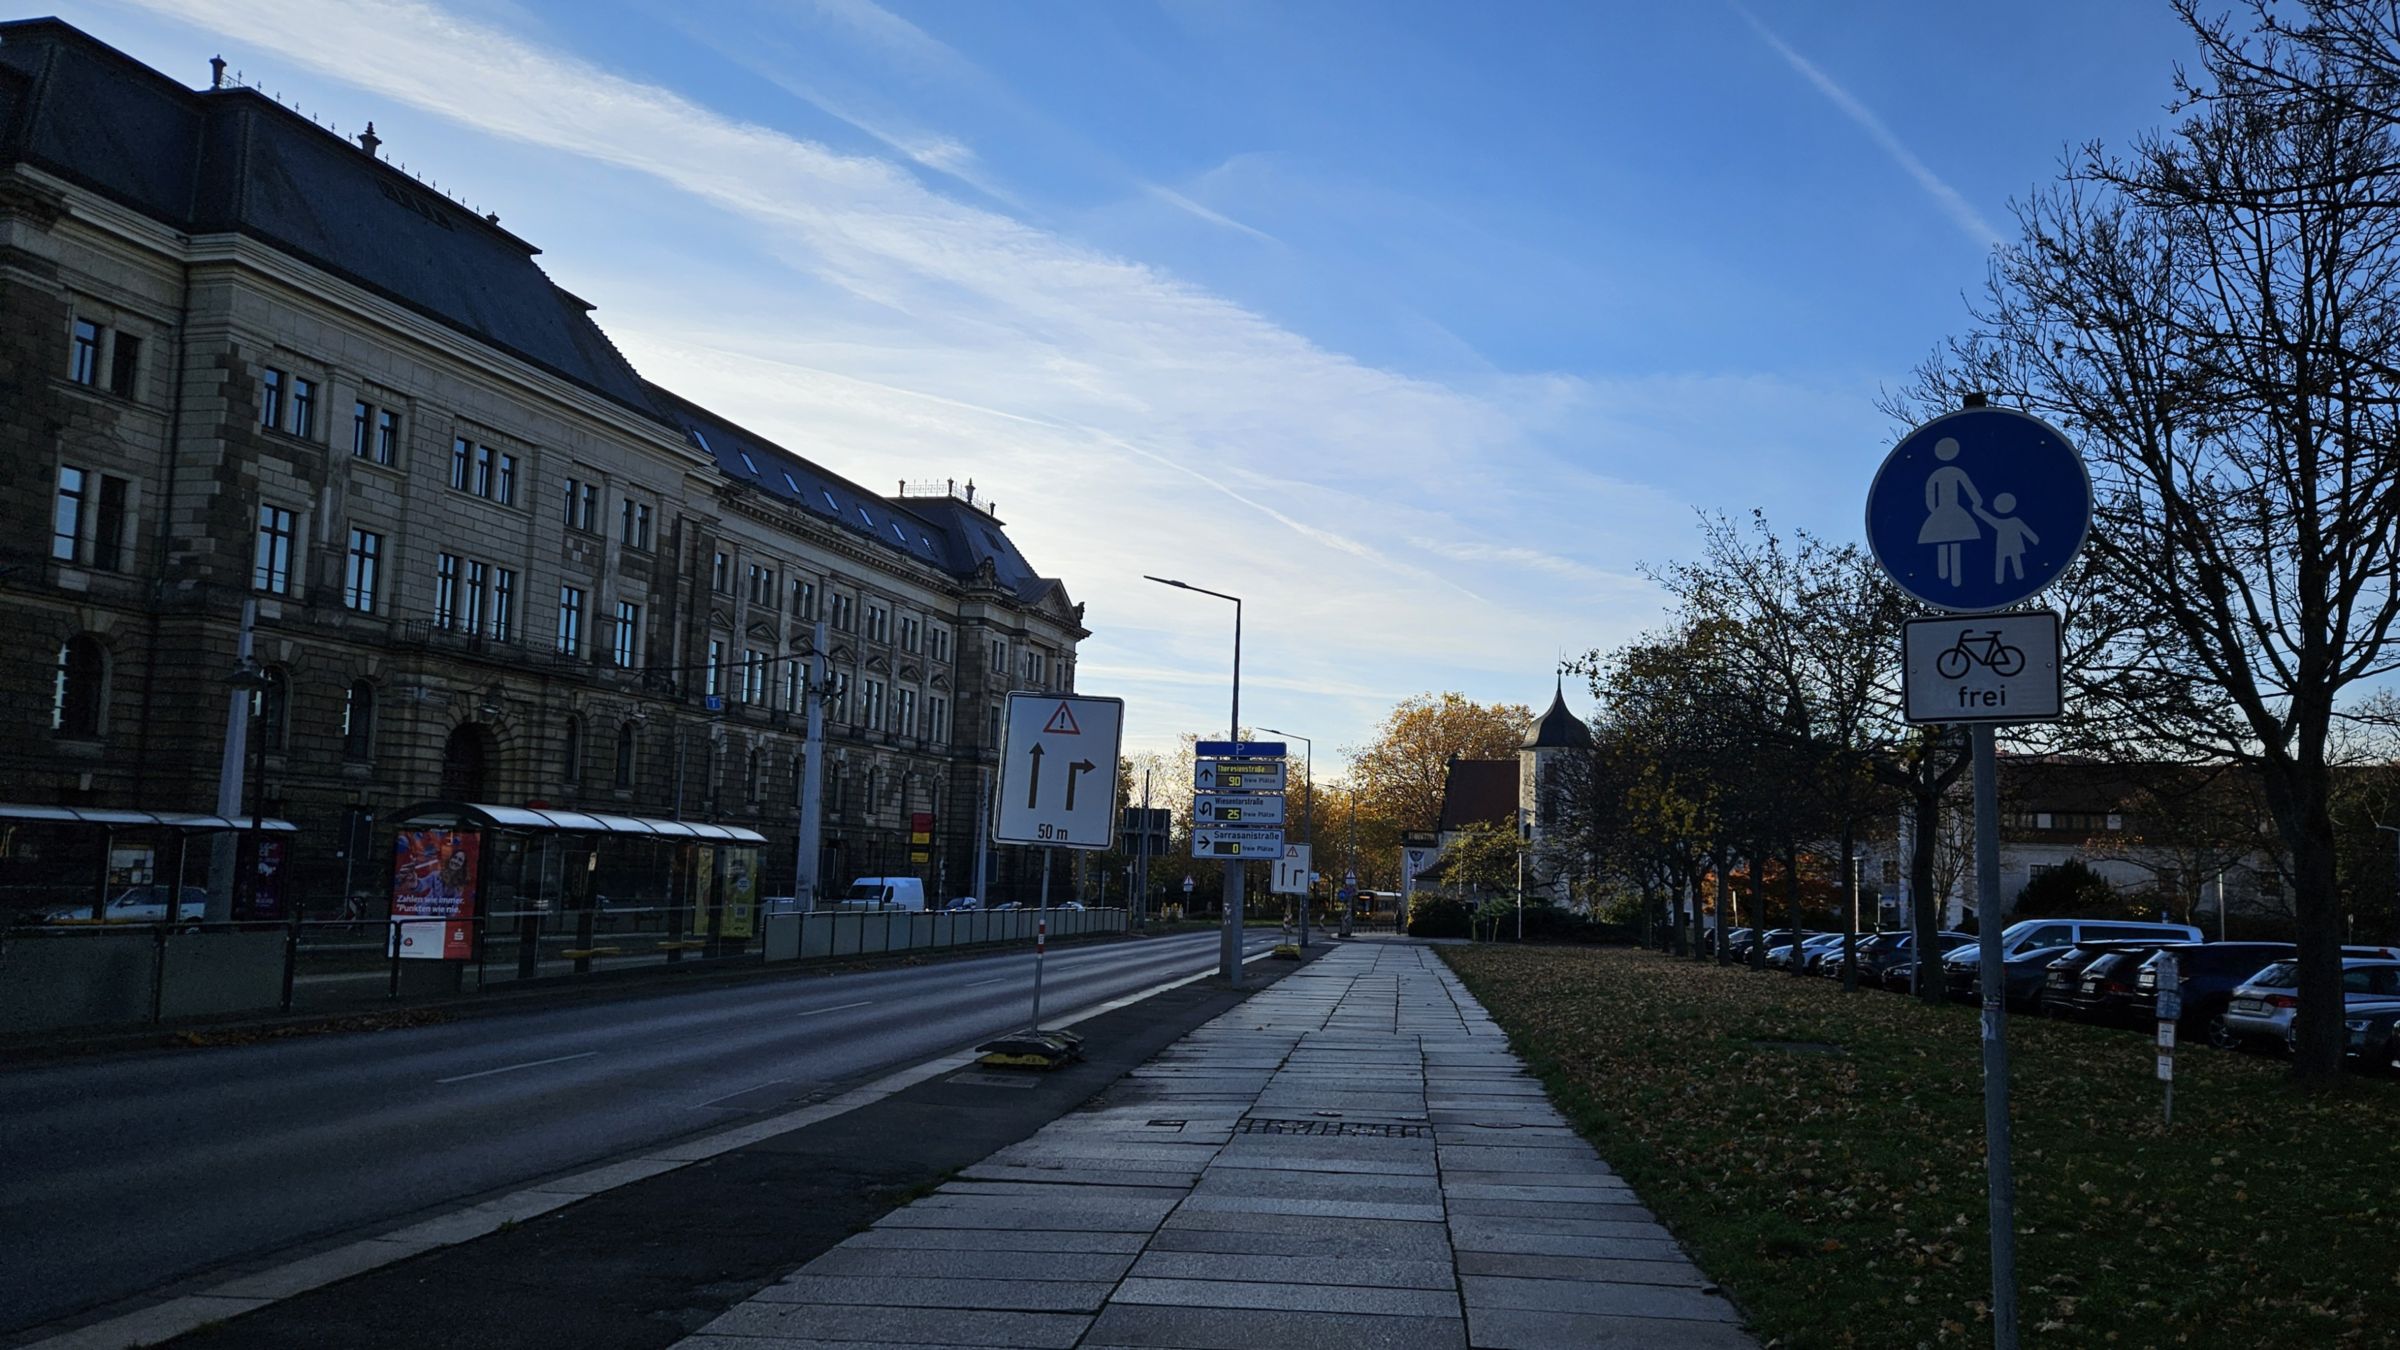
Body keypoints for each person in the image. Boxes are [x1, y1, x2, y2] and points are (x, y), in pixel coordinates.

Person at [1918, 437, 1984, 586]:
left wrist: (1934, 510)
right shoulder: (1950, 473)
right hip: (1947, 511)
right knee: (1946, 540)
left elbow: (1930, 495)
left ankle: (1951, 576)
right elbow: (1930, 493)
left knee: (1950, 540)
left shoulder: (1948, 473)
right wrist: (1976, 501)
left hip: (1947, 511)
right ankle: (1946, 576)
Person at [1971, 492, 2039, 585]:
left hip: (2008, 544)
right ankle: (2002, 579)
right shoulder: (2009, 521)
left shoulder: (2008, 521)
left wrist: (2034, 539)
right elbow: (1988, 518)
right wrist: (1978, 511)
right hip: (2006, 544)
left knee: (2010, 560)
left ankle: (2007, 578)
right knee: (2005, 560)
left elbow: (2025, 530)